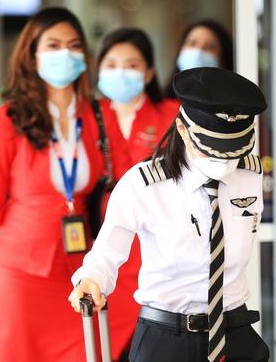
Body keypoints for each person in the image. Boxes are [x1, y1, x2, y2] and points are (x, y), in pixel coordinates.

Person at [69, 67, 270, 362]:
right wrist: (90, 280)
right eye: (212, 149)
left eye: (232, 151)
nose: (223, 161)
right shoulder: (144, 183)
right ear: (184, 131)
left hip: (235, 333)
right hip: (168, 339)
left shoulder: (249, 176)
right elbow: (106, 253)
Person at [0, 7, 104, 361]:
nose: (64, 54)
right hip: (18, 272)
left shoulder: (96, 116)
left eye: (73, 45)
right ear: (32, 56)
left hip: (77, 271)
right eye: (52, 45)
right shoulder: (11, 119)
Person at [95, 27, 179, 359]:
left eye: (131, 65)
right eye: (111, 63)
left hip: (155, 249)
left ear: (149, 72)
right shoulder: (88, 116)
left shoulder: (172, 116)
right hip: (100, 247)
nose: (120, 72)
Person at [163, 20, 234, 99]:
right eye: (191, 43)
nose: (198, 51)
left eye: (210, 46)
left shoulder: (232, 106)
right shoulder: (162, 105)